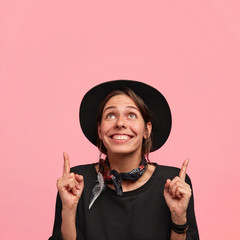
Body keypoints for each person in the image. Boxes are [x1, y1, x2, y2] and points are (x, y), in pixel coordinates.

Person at [49, 80, 199, 240]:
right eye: (111, 115)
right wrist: (68, 211)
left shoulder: (174, 183)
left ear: (146, 130)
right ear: (100, 130)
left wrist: (179, 220)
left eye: (132, 115)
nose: (120, 123)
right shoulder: (76, 182)